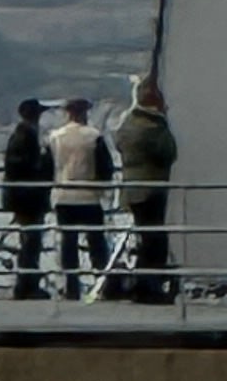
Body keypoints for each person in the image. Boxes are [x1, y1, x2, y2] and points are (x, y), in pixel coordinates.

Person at [109, 75, 178, 299]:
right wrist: (164, 122)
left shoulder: (128, 125)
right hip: (152, 189)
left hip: (132, 189)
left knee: (145, 237)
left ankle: (143, 282)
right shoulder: (154, 127)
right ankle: (149, 286)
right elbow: (169, 152)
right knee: (155, 240)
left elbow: (119, 143)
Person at [50, 94, 112, 293]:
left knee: (68, 243)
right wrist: (104, 189)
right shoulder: (94, 136)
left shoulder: (55, 137)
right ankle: (102, 283)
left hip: (63, 196)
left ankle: (71, 286)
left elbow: (49, 165)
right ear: (85, 112)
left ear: (67, 113)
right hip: (89, 196)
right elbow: (105, 168)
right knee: (96, 242)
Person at [0, 97, 50, 298]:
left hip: (21, 197)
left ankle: (27, 283)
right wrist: (45, 162)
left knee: (29, 241)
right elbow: (22, 167)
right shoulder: (26, 136)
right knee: (31, 242)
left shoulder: (22, 134)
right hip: (27, 198)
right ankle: (26, 285)